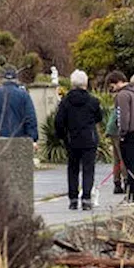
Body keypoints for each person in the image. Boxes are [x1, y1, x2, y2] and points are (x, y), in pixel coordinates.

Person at [54, 70, 102, 211]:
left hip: (72, 139)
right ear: (85, 83)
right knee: (88, 169)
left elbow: (58, 121)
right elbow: (99, 117)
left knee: (73, 169)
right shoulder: (93, 101)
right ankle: (86, 198)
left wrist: (62, 136)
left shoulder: (65, 102)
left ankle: (73, 199)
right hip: (89, 139)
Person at [108, 71, 134, 205]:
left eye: (111, 86)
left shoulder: (123, 95)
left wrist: (122, 133)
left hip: (129, 132)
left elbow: (122, 116)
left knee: (129, 165)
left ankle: (131, 196)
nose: (111, 89)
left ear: (117, 82)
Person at [0, 68, 38, 144]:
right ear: (16, 80)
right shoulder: (24, 95)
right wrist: (33, 138)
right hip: (19, 137)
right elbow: (30, 117)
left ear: (3, 80)